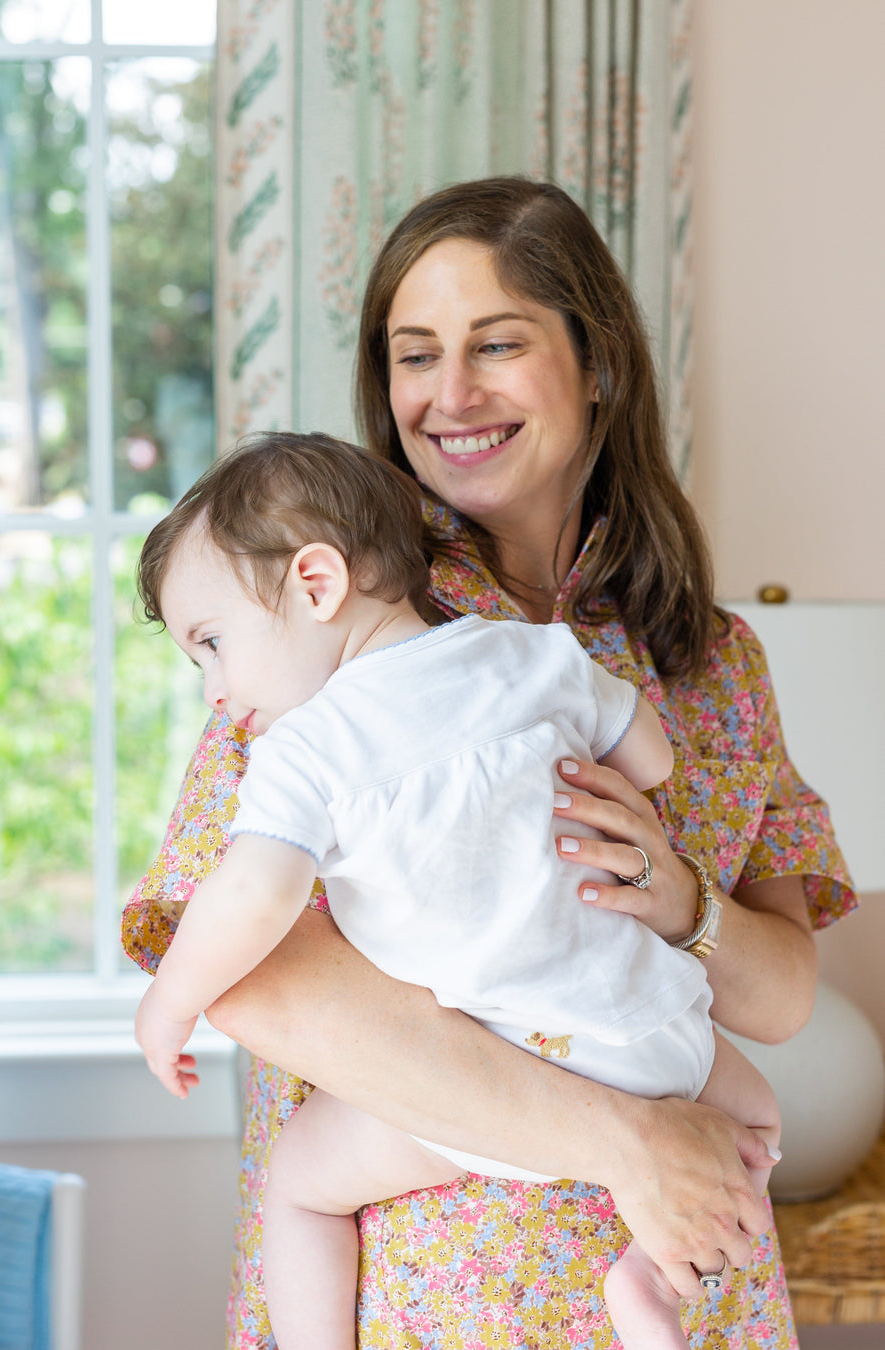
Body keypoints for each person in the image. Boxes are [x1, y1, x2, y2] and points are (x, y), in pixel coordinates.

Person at [122, 177, 855, 1350]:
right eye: (415, 356)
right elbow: (260, 979)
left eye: (497, 345)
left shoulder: (709, 660)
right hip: (426, 1306)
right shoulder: (328, 625)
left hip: (692, 1305)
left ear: (599, 362)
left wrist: (684, 900)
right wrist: (625, 1138)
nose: (450, 395)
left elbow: (782, 994)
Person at [133, 432, 781, 1350]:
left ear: (317, 585)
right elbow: (653, 755)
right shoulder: (534, 656)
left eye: (211, 644)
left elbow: (250, 901)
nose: (212, 687)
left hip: (505, 1069)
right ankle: (648, 1283)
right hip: (655, 1031)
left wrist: (169, 1003)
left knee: (302, 1183)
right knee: (759, 1118)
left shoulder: (302, 752)